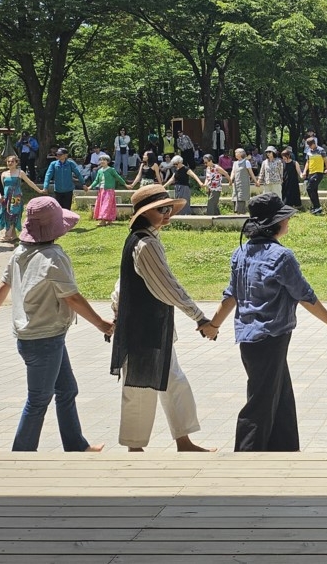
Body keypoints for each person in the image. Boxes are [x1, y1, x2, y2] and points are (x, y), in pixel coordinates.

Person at [0, 197, 114, 452]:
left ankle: (76, 445)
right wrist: (101, 323)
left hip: (43, 336)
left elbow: (5, 284)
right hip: (43, 339)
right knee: (38, 400)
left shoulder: (20, 252)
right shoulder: (53, 257)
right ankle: (21, 454)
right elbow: (72, 297)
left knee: (67, 390)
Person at [205, 194, 327, 452]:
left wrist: (214, 325)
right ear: (276, 223)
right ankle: (245, 458)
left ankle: (284, 450)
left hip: (249, 337)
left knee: (280, 395)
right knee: (261, 401)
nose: (289, 220)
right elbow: (304, 294)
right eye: (285, 217)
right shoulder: (282, 256)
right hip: (271, 336)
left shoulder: (240, 253)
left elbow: (231, 294)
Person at [110, 184, 217, 453]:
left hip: (152, 325)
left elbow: (122, 285)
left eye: (169, 208)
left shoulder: (145, 239)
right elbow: (168, 287)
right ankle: (136, 448)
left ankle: (183, 440)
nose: (167, 214)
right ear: (145, 213)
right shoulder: (145, 244)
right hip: (142, 327)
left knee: (171, 382)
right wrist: (199, 317)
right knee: (139, 386)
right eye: (161, 209)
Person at [0, 155, 43, 244]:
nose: (10, 163)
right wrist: (1, 196)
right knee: (7, 214)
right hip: (6, 197)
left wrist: (39, 190)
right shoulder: (4, 174)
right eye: (8, 161)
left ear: (16, 163)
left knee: (13, 214)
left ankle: (7, 235)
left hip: (16, 197)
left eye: (12, 161)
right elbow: (1, 187)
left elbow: (29, 182)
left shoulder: (20, 172)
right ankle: (14, 235)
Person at [91, 155, 130, 226]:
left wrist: (125, 184)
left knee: (107, 205)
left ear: (108, 162)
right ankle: (108, 220)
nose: (102, 161)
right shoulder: (99, 171)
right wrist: (90, 186)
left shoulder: (111, 170)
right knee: (103, 205)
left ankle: (104, 220)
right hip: (102, 191)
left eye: (104, 160)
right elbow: (96, 180)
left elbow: (118, 177)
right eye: (101, 160)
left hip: (109, 190)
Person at [301, 139, 327, 215]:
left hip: (318, 172)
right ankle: (317, 207)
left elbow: (325, 160)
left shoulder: (321, 150)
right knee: (314, 190)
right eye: (308, 145)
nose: (310, 147)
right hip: (311, 172)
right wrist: (304, 172)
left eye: (310, 145)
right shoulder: (309, 151)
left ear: (314, 143)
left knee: (309, 189)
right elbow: (307, 162)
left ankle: (317, 206)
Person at [228, 148, 259, 214]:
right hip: (236, 183)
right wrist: (230, 180)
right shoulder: (235, 163)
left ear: (241, 154)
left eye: (237, 153)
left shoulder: (246, 162)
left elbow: (251, 173)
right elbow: (233, 172)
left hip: (244, 183)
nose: (235, 154)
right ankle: (236, 212)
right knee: (235, 197)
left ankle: (241, 212)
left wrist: (256, 181)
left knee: (241, 197)